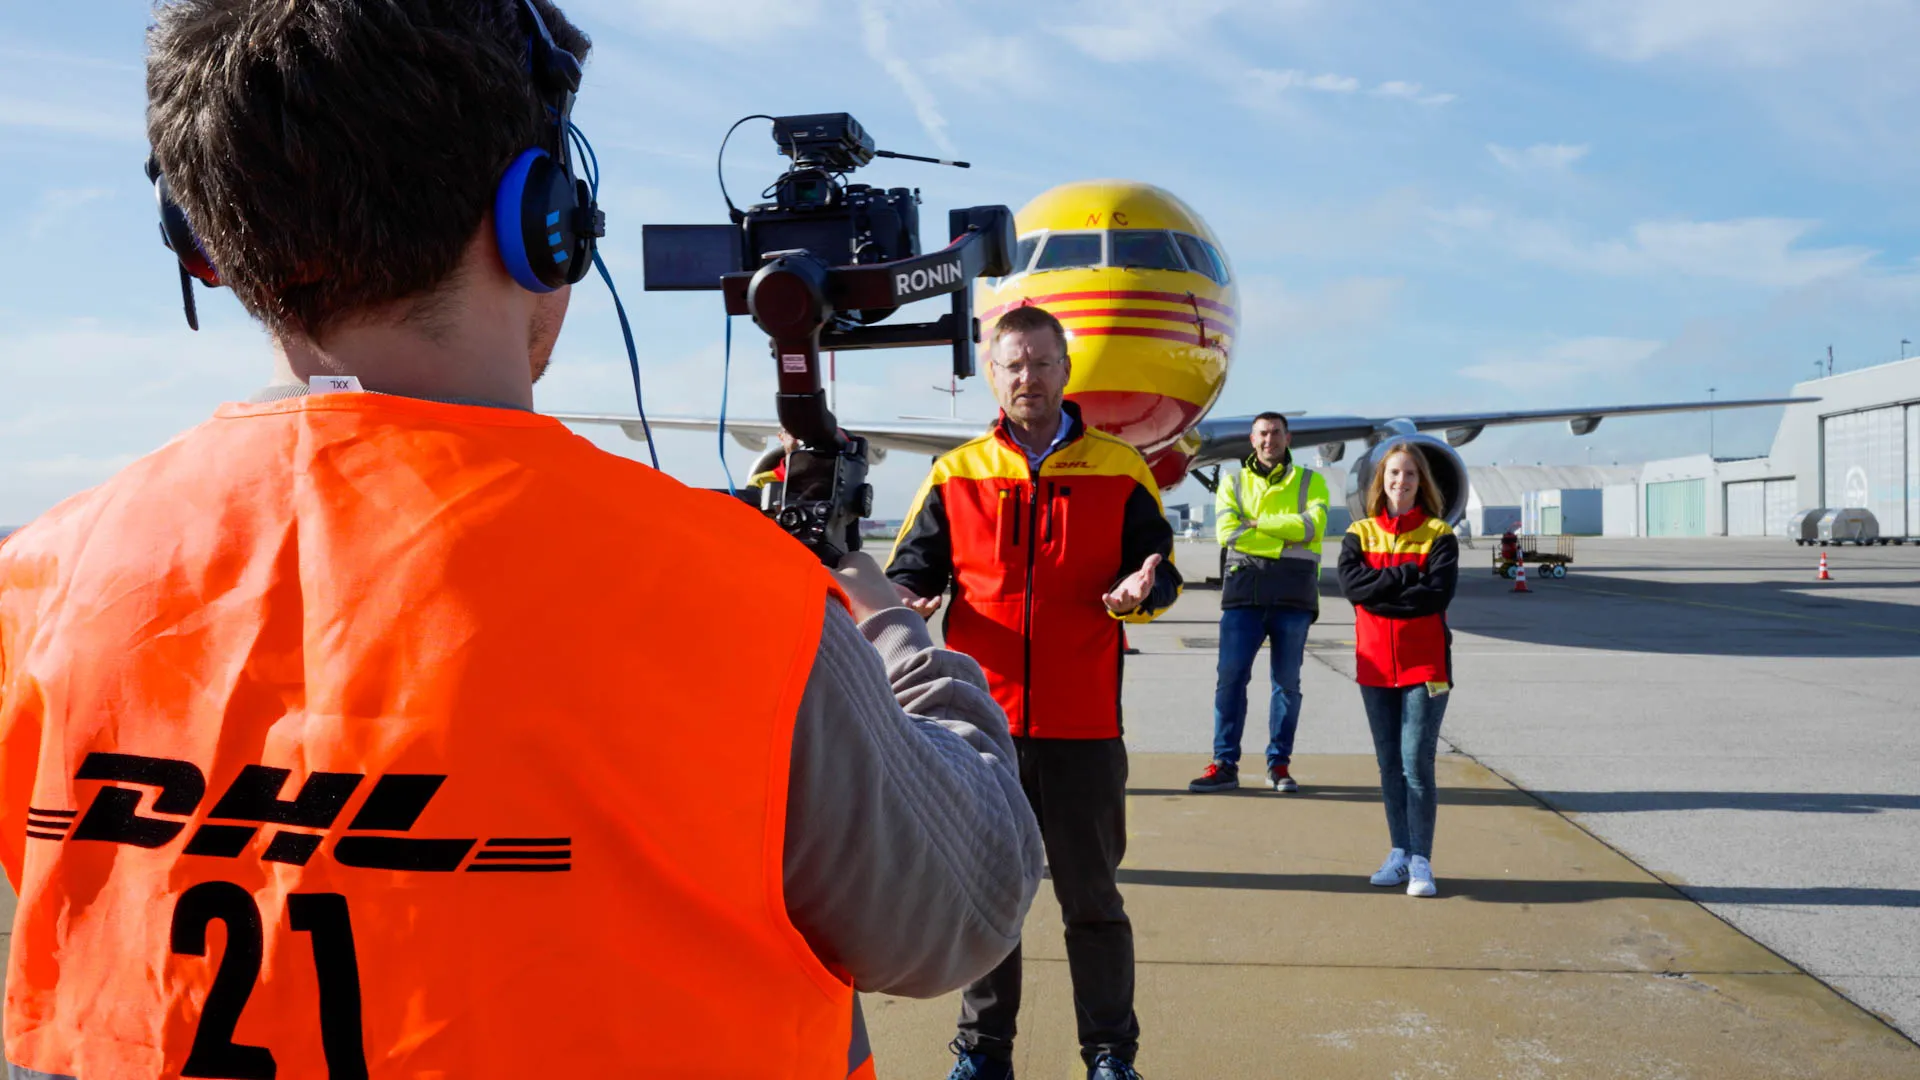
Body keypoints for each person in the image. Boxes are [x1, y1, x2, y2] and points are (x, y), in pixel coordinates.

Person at [0, 3, 1043, 1076]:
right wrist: (893, 638)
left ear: (198, 237)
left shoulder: (41, 586)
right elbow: (961, 910)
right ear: (544, 216)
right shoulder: (738, 602)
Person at [888, 304, 1181, 1080]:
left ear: (1065, 370)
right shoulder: (956, 473)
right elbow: (910, 568)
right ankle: (984, 1052)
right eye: (1013, 364)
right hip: (980, 729)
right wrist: (910, 597)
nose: (1028, 377)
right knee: (987, 898)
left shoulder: (1120, 468)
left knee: (1093, 903)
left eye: (1042, 363)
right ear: (993, 374)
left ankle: (1110, 1053)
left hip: (1084, 727)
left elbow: (1160, 571)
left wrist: (1140, 593)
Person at [1335, 445, 1461, 898]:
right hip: (1374, 668)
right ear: (1381, 480)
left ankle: (1422, 860)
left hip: (1426, 667)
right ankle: (1400, 852)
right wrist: (1405, 574)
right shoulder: (1359, 533)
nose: (1400, 481)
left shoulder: (1439, 534)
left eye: (1409, 474)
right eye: (1393, 473)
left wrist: (1379, 595)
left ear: (1421, 481)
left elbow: (1436, 596)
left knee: (1416, 765)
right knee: (1389, 766)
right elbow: (1352, 588)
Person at [1189, 411, 1329, 795]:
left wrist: (1256, 524)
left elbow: (1314, 527)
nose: (1270, 440)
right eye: (1263, 434)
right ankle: (1224, 764)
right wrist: (1285, 531)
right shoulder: (1233, 481)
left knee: (1287, 685)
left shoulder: (1311, 481)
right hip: (1244, 595)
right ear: (1252, 440)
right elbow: (1227, 533)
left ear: (1288, 438)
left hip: (1293, 596)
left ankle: (1279, 765)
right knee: (1230, 681)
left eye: (1276, 433)